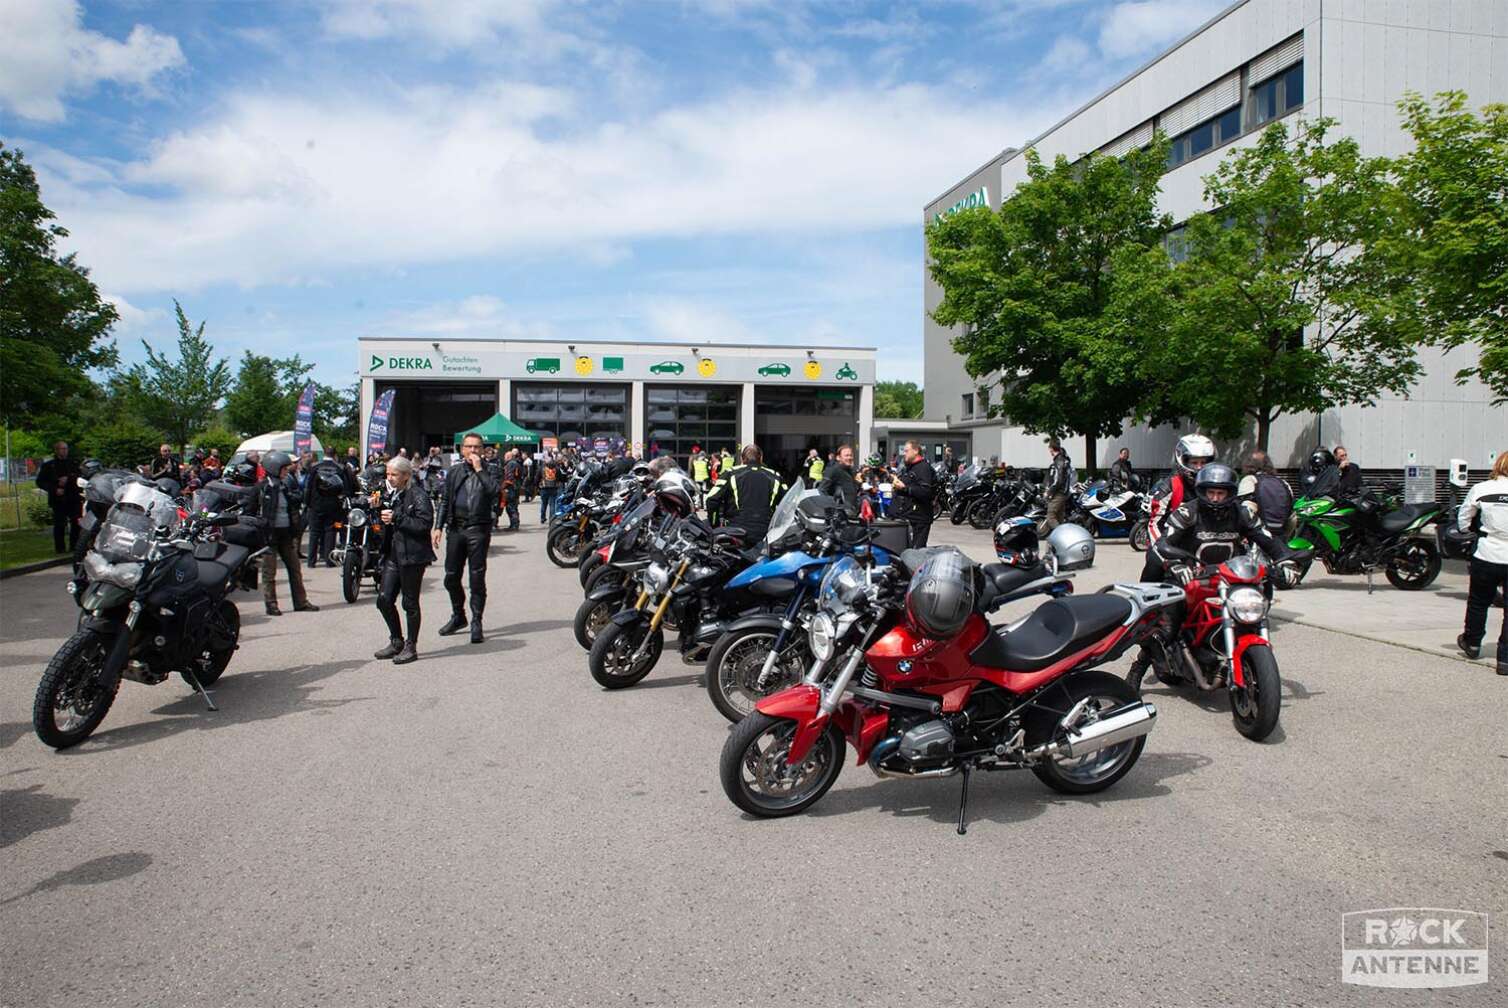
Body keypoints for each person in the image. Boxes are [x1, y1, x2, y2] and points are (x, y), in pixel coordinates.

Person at [1145, 463, 1295, 581]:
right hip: (1190, 577)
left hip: (1232, 577)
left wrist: (1285, 560)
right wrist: (1174, 564)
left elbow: (1269, 540)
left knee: (1262, 587)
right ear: (1203, 491)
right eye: (1211, 493)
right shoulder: (1187, 513)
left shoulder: (1243, 514)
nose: (1215, 498)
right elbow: (1162, 545)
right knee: (1171, 612)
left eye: (1220, 493)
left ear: (1229, 493)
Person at [432, 433, 498, 644]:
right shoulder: (454, 472)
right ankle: (458, 615)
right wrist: (437, 526)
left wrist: (479, 469)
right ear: (461, 449)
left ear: (483, 449)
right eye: (468, 447)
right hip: (456, 529)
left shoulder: (491, 470)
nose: (472, 451)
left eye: (476, 447)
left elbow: (494, 492)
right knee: (451, 576)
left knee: (477, 577)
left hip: (478, 529)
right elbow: (445, 500)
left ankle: (476, 620)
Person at [373, 456, 434, 665]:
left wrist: (397, 518)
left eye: (394, 474)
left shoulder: (418, 495)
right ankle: (396, 640)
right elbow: (381, 523)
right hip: (393, 554)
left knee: (410, 602)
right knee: (383, 599)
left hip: (413, 555)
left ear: (406, 476)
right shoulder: (390, 493)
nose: (389, 478)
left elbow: (424, 524)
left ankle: (411, 645)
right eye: (387, 474)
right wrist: (376, 508)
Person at [1456, 450, 1508, 675]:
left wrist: (1468, 531)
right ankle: (1505, 659)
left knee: (1478, 601)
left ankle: (1473, 642)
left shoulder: (1482, 489)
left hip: (1487, 553)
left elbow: (1463, 519)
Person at [1139, 432, 1216, 580]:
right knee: (1153, 566)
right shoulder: (1170, 486)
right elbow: (1154, 524)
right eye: (1194, 462)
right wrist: (1166, 555)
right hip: (1172, 544)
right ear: (1183, 460)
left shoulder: (1217, 487)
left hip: (1205, 544)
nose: (1199, 467)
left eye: (1203, 462)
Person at [257, 451, 318, 616]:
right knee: (269, 572)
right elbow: (253, 512)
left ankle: (301, 602)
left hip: (286, 534)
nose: (286, 471)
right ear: (274, 468)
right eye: (283, 468)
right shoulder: (262, 488)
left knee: (295, 568)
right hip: (270, 536)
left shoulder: (284, 486)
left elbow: (295, 501)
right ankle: (271, 604)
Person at [704, 444, 784, 542]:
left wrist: (715, 525)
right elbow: (789, 503)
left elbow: (711, 499)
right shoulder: (775, 476)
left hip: (736, 533)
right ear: (761, 458)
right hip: (766, 533)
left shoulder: (730, 473)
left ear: (742, 459)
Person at [305, 454, 354, 567]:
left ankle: (311, 562)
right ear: (335, 455)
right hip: (333, 505)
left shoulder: (315, 468)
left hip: (315, 504)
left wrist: (308, 503)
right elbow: (345, 488)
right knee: (330, 532)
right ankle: (329, 560)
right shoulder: (339, 468)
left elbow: (308, 487)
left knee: (314, 532)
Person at [35, 441, 82, 554]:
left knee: (76, 523)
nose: (64, 451)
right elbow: (40, 482)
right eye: (62, 449)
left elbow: (80, 476)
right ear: (56, 450)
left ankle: (74, 546)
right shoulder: (49, 466)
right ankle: (60, 548)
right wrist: (54, 489)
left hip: (73, 498)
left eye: (66, 448)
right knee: (60, 524)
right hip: (58, 500)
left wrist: (69, 478)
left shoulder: (73, 463)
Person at [890, 440, 938, 547]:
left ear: (916, 451)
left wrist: (904, 488)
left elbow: (925, 491)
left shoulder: (923, 468)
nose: (904, 454)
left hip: (919, 519)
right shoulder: (910, 468)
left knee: (916, 553)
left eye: (906, 451)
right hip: (909, 518)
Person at [1237, 449, 1295, 536]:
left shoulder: (1249, 480)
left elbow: (1243, 512)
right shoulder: (1284, 483)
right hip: (1280, 538)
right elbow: (1292, 517)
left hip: (1256, 538)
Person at [1041, 439, 1074, 535]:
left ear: (1051, 449)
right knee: (1059, 518)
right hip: (1063, 492)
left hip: (1058, 493)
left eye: (1049, 448)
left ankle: (1063, 535)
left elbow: (1058, 481)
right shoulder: (1064, 459)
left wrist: (1049, 492)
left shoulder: (1059, 461)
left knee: (1050, 517)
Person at [819, 444, 860, 516]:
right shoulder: (833, 470)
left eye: (851, 455)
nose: (849, 458)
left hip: (852, 511)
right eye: (846, 455)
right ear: (838, 457)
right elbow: (822, 490)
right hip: (841, 514)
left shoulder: (850, 470)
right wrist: (833, 509)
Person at [501, 448, 523, 530]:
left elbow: (509, 477)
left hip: (511, 488)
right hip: (515, 487)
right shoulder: (516, 463)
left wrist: (502, 486)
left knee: (511, 507)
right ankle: (514, 524)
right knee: (513, 506)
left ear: (508, 456)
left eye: (505, 456)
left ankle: (514, 525)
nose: (504, 458)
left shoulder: (511, 464)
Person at [538, 452, 562, 522]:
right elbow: (560, 477)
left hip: (544, 488)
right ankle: (551, 519)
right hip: (554, 488)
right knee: (552, 504)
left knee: (544, 503)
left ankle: (542, 517)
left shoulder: (541, 468)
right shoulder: (557, 468)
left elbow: (537, 477)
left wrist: (537, 485)